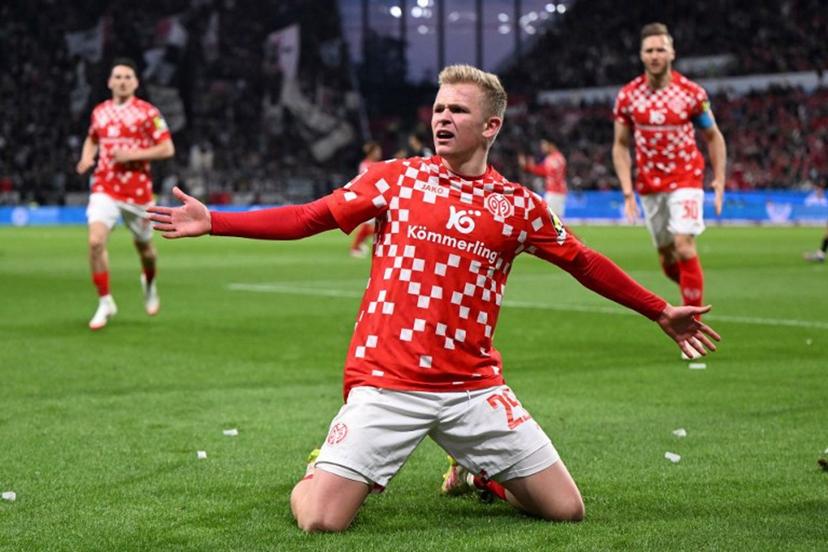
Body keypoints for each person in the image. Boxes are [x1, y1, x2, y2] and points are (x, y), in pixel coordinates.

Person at [148, 64, 719, 532]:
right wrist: (215, 220)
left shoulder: (517, 206)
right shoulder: (394, 178)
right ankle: (322, 469)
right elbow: (309, 217)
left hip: (473, 386)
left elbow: (583, 262)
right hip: (389, 382)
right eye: (439, 108)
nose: (443, 118)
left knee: (566, 509)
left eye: (458, 110)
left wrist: (659, 310)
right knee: (321, 520)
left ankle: (479, 475)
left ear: (491, 126)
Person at [612, 23, 727, 338]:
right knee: (667, 258)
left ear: (672, 53)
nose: (655, 55)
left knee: (684, 246)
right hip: (649, 185)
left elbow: (713, 136)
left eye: (660, 49)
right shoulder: (628, 97)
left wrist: (718, 178)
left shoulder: (691, 94)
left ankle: (692, 324)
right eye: (649, 50)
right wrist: (626, 192)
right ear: (641, 55)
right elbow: (620, 145)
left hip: (686, 177)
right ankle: (692, 287)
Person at [76, 58, 175, 330]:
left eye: (127, 77)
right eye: (117, 76)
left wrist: (132, 154)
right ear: (109, 82)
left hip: (137, 191)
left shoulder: (148, 113)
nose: (122, 81)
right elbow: (93, 138)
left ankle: (150, 281)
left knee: (146, 250)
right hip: (104, 186)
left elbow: (167, 148)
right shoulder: (100, 112)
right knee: (96, 242)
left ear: (135, 82)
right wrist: (87, 158)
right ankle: (105, 300)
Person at [349, 141, 382, 257]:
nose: (379, 153)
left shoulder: (374, 164)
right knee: (371, 225)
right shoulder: (366, 165)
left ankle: (358, 245)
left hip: (376, 197)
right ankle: (355, 248)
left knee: (372, 225)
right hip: (369, 198)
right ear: (371, 152)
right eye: (377, 151)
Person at [518, 139, 567, 217]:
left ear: (551, 145)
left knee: (551, 220)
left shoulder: (553, 159)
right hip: (559, 191)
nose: (542, 147)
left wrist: (529, 166)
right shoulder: (559, 157)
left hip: (554, 192)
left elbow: (542, 171)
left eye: (544, 145)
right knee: (555, 220)